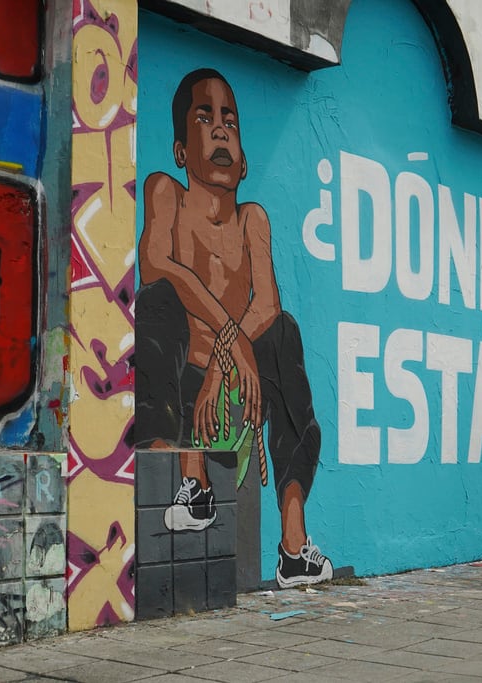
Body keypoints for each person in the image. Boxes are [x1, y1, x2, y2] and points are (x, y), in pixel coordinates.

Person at [135, 68, 332, 588]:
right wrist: (229, 338)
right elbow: (158, 267)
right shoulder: (165, 194)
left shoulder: (253, 220)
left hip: (234, 382)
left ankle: (293, 546)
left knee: (286, 330)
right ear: (180, 150)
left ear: (243, 161)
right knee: (155, 302)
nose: (220, 129)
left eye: (230, 120)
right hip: (182, 378)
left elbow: (266, 303)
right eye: (204, 117)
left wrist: (227, 365)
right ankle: (191, 486)